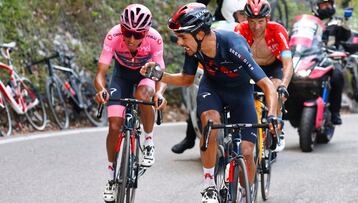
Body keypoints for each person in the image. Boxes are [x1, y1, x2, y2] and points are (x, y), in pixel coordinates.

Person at [140, 3, 279, 202]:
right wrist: (161, 75)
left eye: (183, 37)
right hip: (212, 89)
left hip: (240, 93)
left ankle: (245, 192)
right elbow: (187, 79)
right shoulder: (193, 50)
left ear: (199, 34)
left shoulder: (234, 45)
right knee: (210, 122)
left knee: (248, 152)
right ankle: (209, 186)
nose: (179, 43)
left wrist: (273, 115)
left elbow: (267, 85)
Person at [93, 4, 167, 202]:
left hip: (146, 75)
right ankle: (110, 178)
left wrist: (159, 93)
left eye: (138, 35)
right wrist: (101, 90)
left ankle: (149, 140)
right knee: (114, 125)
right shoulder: (113, 36)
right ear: (121, 28)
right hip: (121, 76)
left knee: (144, 96)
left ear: (146, 32)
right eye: (128, 33)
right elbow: (101, 72)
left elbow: (161, 74)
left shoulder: (154, 39)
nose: (132, 39)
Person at [172, 0, 248, 154]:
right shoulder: (217, 27)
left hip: (242, 71)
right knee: (202, 94)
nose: (245, 19)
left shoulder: (253, 24)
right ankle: (191, 135)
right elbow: (199, 5)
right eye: (242, 15)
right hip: (211, 31)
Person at [234, 0, 293, 152]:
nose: (256, 26)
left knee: (278, 89)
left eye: (260, 21)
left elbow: (287, 63)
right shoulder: (240, 29)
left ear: (267, 18)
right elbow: (233, 60)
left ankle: (277, 126)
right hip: (250, 67)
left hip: (272, 67)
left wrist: (283, 86)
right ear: (246, 19)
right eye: (252, 21)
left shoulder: (277, 30)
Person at [312, 0, 352, 124]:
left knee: (337, 76)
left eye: (328, 4)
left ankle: (335, 112)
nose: (326, 7)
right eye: (323, 4)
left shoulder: (338, 21)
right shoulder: (309, 21)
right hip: (311, 56)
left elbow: (346, 36)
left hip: (331, 57)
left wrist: (346, 20)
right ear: (318, 6)